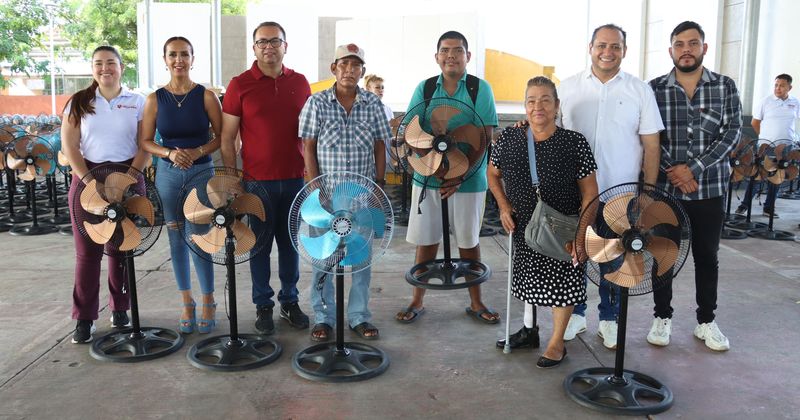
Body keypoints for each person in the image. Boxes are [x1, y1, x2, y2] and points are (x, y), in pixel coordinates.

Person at [555, 24, 663, 350]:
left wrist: (648, 193)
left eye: (615, 46)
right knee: (576, 254)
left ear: (624, 51)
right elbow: (550, 134)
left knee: (614, 258)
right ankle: (576, 314)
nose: (608, 51)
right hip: (573, 194)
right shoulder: (569, 88)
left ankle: (610, 318)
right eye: (602, 45)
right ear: (590, 47)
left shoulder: (639, 90)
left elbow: (652, 145)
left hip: (620, 193)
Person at [488, 76, 598, 367]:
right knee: (529, 282)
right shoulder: (509, 139)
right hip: (523, 226)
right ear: (524, 106)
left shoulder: (574, 143)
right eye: (531, 100)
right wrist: (503, 206)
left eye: (545, 100)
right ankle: (530, 332)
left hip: (563, 228)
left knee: (563, 286)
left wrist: (581, 235)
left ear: (557, 106)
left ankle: (556, 342)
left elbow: (590, 193)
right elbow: (492, 173)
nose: (538, 107)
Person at [395, 30, 500, 325]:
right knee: (426, 241)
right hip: (428, 176)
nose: (451, 55)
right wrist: (437, 172)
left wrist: (458, 175)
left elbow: (484, 136)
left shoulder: (480, 89)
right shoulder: (426, 88)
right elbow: (412, 129)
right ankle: (417, 300)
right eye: (445, 50)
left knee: (468, 241)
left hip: (469, 180)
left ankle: (476, 302)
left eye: (457, 50)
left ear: (468, 56)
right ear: (437, 56)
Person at [648, 21, 740, 351]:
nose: (686, 49)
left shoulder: (725, 86)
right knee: (663, 254)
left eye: (693, 43)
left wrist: (693, 169)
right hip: (667, 189)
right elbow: (650, 135)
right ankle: (662, 317)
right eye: (679, 44)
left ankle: (706, 321)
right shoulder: (654, 88)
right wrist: (675, 171)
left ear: (704, 48)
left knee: (707, 255)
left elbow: (731, 133)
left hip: (710, 187)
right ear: (670, 50)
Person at [220, 21, 311, 335]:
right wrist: (233, 179)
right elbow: (227, 138)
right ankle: (263, 305)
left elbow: (310, 134)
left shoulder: (300, 83)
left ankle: (290, 301)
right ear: (254, 47)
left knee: (290, 246)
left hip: (295, 179)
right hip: (256, 182)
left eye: (275, 41)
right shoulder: (240, 85)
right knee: (258, 246)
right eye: (262, 42)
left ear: (286, 45)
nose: (269, 47)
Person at [299, 43, 390, 341]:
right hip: (324, 200)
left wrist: (378, 186)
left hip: (361, 198)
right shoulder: (317, 103)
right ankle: (323, 317)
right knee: (324, 258)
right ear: (334, 68)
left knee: (360, 260)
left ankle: (359, 316)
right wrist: (315, 188)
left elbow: (380, 145)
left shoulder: (373, 105)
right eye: (344, 65)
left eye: (356, 66)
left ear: (362, 71)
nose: (350, 70)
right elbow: (308, 147)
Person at [61, 46, 150, 344]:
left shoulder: (138, 102)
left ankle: (120, 308)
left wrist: (130, 178)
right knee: (88, 254)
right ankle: (84, 318)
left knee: (121, 249)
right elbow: (71, 147)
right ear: (92, 69)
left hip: (128, 176)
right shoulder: (79, 102)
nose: (105, 68)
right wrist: (89, 181)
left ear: (122, 67)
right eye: (98, 63)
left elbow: (144, 146)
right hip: (87, 180)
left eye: (111, 63)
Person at [139, 37, 222, 334]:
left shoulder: (206, 96)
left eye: (184, 54)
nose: (179, 60)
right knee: (176, 238)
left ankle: (209, 300)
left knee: (201, 237)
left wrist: (198, 152)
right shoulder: (154, 99)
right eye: (173, 55)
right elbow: (145, 141)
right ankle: (187, 301)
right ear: (164, 59)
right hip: (169, 176)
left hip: (201, 173)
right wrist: (170, 153)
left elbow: (220, 137)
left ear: (192, 58)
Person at [736, 73, 799, 218]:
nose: (778, 88)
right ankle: (744, 205)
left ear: (789, 87)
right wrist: (765, 138)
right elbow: (755, 122)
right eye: (776, 85)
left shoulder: (795, 102)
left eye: (782, 85)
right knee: (757, 176)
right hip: (766, 146)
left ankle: (769, 208)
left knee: (777, 178)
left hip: (786, 147)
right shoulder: (766, 101)